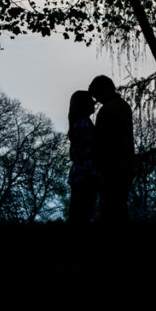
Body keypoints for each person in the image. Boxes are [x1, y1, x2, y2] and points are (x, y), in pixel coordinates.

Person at [89, 75, 134, 224]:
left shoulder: (108, 109)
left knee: (110, 208)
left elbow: (103, 140)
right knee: (120, 207)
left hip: (112, 166)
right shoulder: (123, 105)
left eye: (96, 95)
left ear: (103, 91)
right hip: (124, 164)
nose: (96, 100)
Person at [66, 90, 98, 224]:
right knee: (82, 217)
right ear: (83, 104)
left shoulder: (78, 123)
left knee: (78, 216)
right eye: (90, 100)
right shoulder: (84, 124)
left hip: (79, 177)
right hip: (85, 178)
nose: (94, 102)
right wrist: (97, 176)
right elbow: (88, 154)